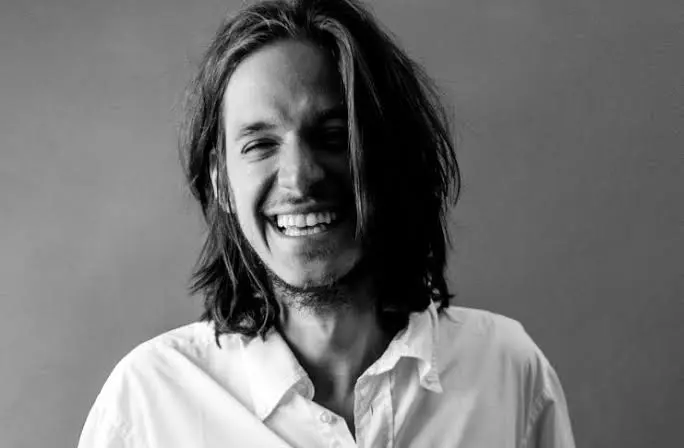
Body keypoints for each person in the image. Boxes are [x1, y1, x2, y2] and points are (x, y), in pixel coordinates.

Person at [78, 0, 575, 446]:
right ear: (221, 181)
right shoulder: (147, 407)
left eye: (335, 136)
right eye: (260, 145)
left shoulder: (508, 374)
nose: (299, 178)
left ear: (392, 157)